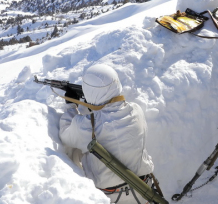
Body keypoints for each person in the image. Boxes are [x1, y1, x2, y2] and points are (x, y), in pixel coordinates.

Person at [59, 64, 154, 203]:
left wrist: (71, 105)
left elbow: (65, 135)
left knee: (76, 153)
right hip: (145, 190)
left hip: (110, 197)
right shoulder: (136, 110)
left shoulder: (87, 125)